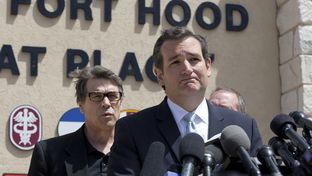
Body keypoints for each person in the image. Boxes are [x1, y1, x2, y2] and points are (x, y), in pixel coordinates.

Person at [108, 27, 263, 175]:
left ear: (208, 66)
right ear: (159, 74)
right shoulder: (133, 130)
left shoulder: (243, 126)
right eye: (175, 62)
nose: (187, 69)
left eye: (194, 59)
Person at [28, 66, 123, 176]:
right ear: (81, 105)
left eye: (112, 96)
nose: (106, 103)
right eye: (97, 96)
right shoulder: (49, 153)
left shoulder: (139, 150)